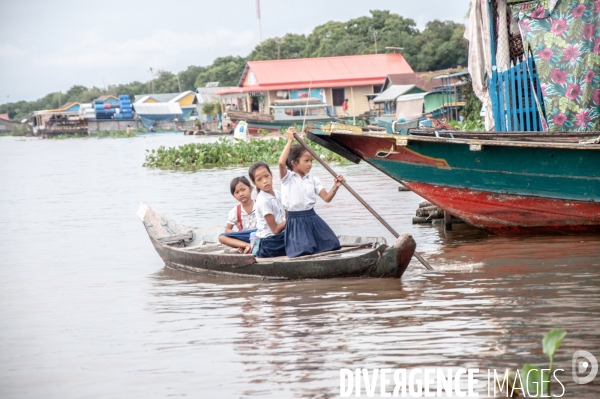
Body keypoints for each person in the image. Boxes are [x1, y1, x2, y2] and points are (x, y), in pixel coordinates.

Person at [278, 127, 345, 258]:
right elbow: (281, 162)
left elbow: (326, 198)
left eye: (311, 161)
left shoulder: (313, 180)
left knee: (333, 243)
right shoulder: (287, 178)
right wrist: (289, 140)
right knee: (303, 250)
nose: (310, 164)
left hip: (312, 217)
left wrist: (335, 187)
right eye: (306, 161)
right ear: (294, 163)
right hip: (295, 220)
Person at [248, 161, 287, 258]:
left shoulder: (278, 194)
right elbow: (275, 230)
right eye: (259, 179)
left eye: (266, 176)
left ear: (271, 175)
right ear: (254, 183)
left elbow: (287, 213)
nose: (265, 181)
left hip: (281, 236)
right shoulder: (263, 201)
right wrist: (292, 218)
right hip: (271, 242)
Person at [218, 177, 258, 254]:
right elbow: (227, 229)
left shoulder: (260, 204)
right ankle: (247, 245)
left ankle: (247, 246)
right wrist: (239, 238)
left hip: (260, 233)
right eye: (237, 192)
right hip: (246, 237)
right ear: (234, 196)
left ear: (250, 189)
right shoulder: (234, 211)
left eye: (243, 190)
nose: (241, 194)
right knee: (221, 237)